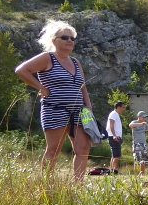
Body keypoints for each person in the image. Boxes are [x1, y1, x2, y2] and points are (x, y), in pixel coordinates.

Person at [15, 19, 93, 180]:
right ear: (54, 41)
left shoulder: (76, 62)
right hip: (54, 109)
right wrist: (41, 88)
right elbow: (21, 70)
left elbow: (83, 87)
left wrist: (88, 107)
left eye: (72, 38)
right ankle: (46, 185)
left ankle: (77, 186)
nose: (69, 40)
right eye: (64, 37)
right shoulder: (47, 58)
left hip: (78, 112)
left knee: (83, 147)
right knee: (54, 149)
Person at [129, 111, 148, 175]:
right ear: (139, 117)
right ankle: (136, 174)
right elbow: (130, 125)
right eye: (143, 117)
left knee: (143, 160)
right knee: (137, 160)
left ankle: (142, 174)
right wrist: (140, 124)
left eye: (145, 117)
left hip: (144, 144)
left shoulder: (145, 123)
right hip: (137, 143)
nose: (144, 118)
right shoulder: (135, 122)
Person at [106, 101, 126, 174]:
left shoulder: (116, 114)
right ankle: (113, 171)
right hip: (114, 137)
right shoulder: (114, 114)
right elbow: (111, 125)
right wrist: (114, 135)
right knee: (117, 155)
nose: (123, 109)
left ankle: (111, 170)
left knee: (115, 155)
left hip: (115, 137)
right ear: (119, 107)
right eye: (123, 107)